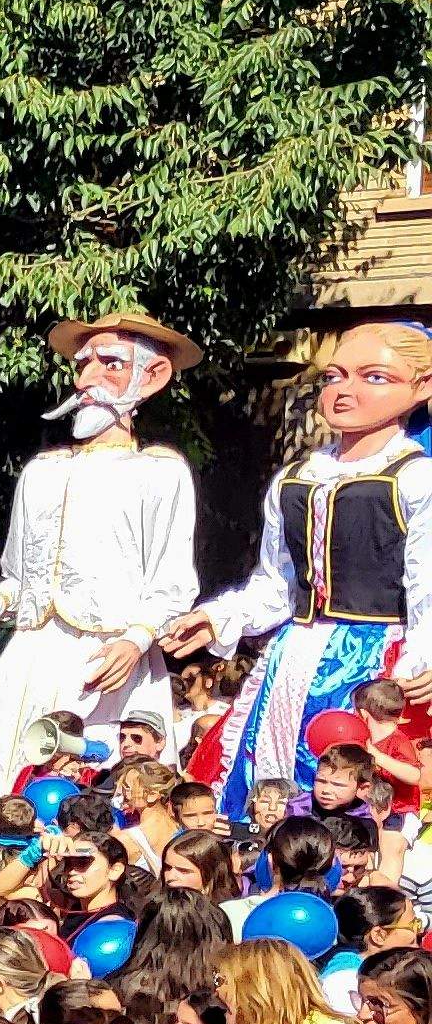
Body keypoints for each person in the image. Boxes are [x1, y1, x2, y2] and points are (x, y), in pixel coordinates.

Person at [168, 318, 432, 814]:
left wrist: (424, 655)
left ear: (423, 386)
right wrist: (217, 617)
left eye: (374, 377)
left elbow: (428, 586)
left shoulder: (418, 479)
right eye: (334, 376)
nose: (344, 392)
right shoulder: (295, 479)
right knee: (264, 783)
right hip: (293, 654)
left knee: (353, 791)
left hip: (379, 663)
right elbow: (276, 586)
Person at [0, 313, 201, 795]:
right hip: (30, 655)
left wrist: (136, 640)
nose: (87, 379)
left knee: (101, 791)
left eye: (110, 364)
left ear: (153, 376)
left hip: (106, 662)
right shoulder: (42, 471)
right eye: (82, 365)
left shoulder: (161, 472)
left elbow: (173, 583)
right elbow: (21, 577)